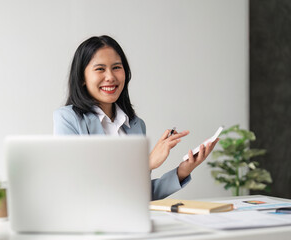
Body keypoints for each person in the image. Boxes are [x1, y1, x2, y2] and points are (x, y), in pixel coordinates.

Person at [53, 35, 218, 200]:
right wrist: (146, 163)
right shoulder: (68, 118)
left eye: (117, 67)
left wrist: (183, 170)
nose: (110, 77)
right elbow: (78, 189)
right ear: (82, 77)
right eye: (100, 69)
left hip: (131, 221)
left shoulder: (135, 125)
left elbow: (138, 195)